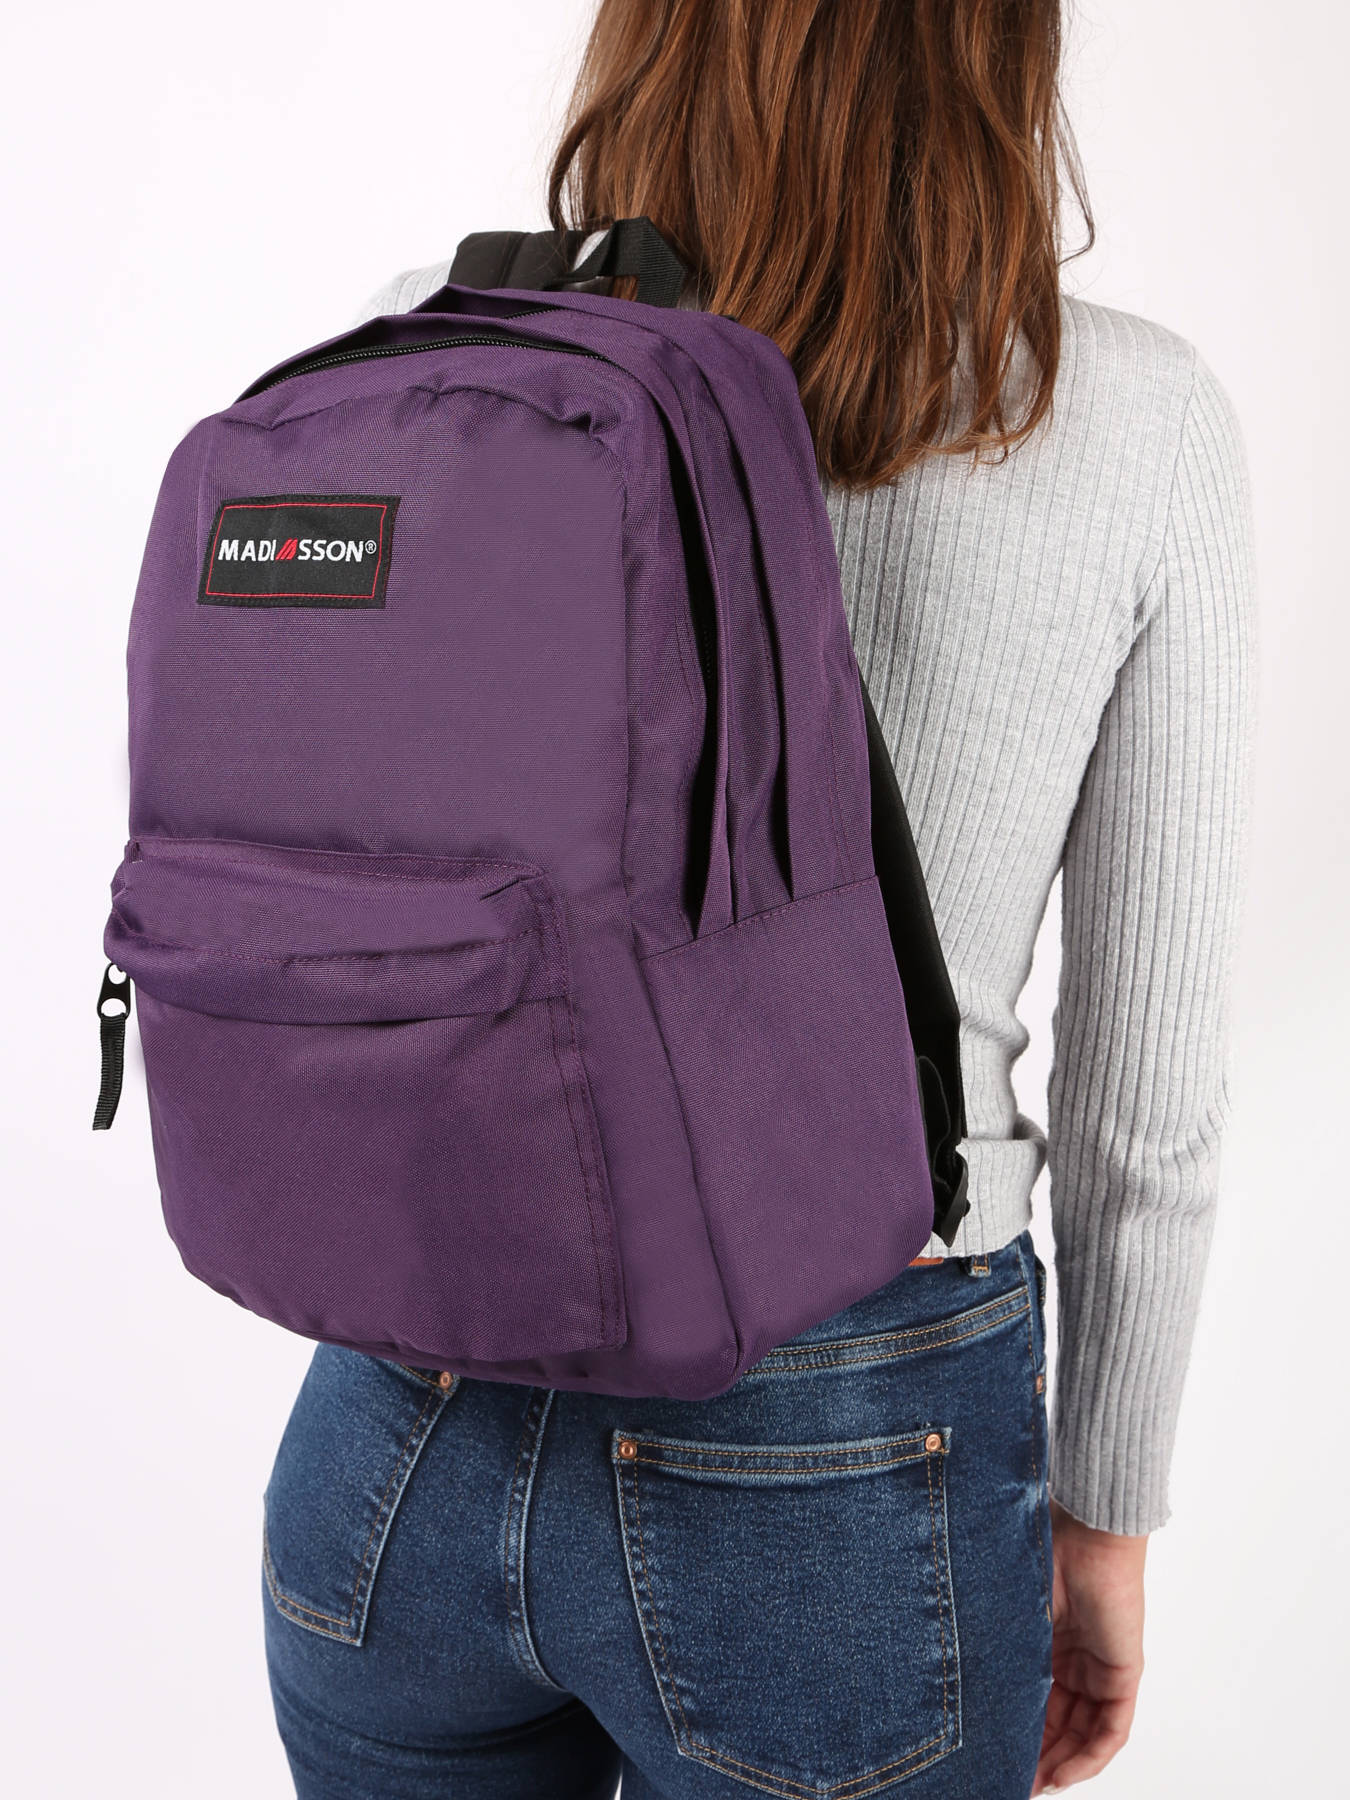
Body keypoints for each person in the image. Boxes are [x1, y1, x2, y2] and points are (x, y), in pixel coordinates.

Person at [261, 4, 1254, 1796]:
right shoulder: (1128, 417)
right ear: (995, 63)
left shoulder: (436, 344)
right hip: (842, 1433)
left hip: (399, 1422)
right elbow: (1146, 1098)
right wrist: (1105, 1520)